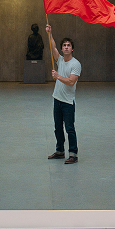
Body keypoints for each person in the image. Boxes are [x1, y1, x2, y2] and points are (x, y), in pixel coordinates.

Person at [46, 24, 81, 164]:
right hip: (57, 99)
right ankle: (60, 151)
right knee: (58, 128)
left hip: (68, 102)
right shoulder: (60, 60)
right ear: (62, 49)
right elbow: (53, 47)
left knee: (69, 128)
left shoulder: (76, 64)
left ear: (72, 49)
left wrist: (58, 76)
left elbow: (71, 82)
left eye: (68, 45)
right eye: (64, 45)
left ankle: (73, 154)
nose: (66, 47)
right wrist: (49, 33)